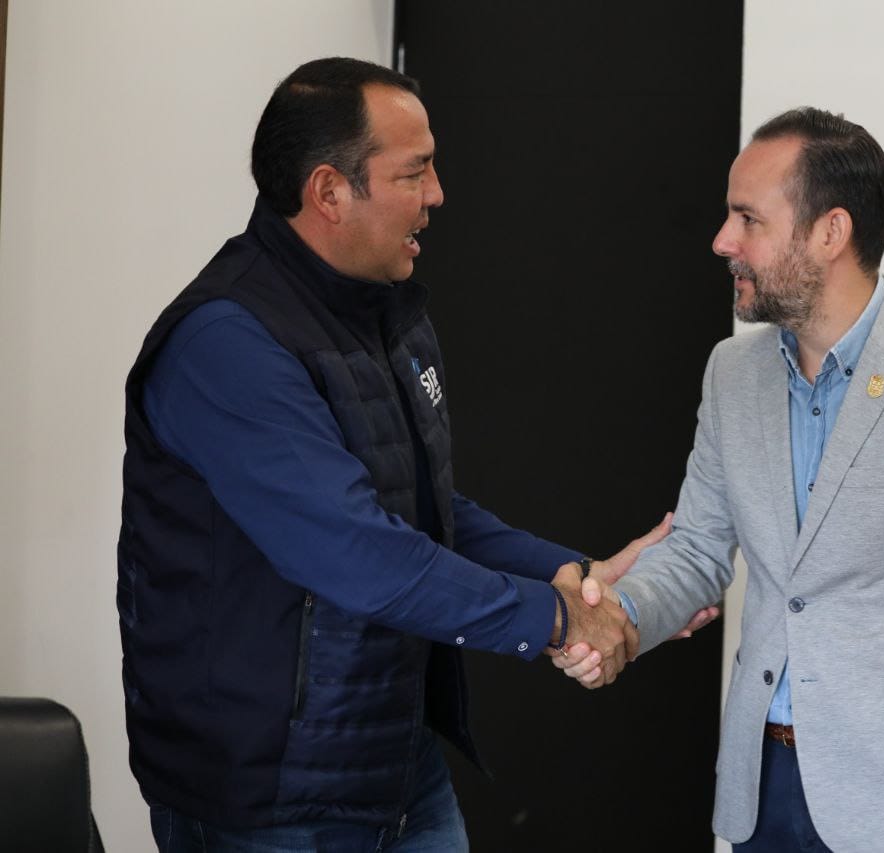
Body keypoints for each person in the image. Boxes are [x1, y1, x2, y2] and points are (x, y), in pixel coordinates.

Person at [117, 57, 712, 853]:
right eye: (415, 171)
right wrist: (558, 615)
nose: (437, 194)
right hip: (270, 803)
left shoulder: (387, 314)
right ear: (329, 191)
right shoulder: (227, 345)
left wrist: (580, 573)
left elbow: (422, 508)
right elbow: (357, 551)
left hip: (395, 768)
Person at [556, 108, 884, 853]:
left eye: (748, 219)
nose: (722, 240)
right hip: (762, 793)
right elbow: (699, 549)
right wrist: (615, 616)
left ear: (830, 232)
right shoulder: (731, 372)